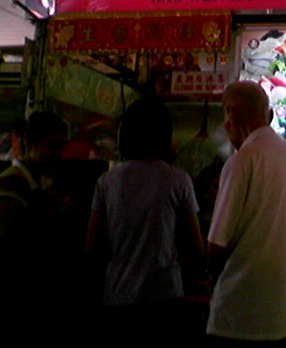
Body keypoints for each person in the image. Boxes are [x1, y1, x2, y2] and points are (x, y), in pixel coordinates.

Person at [85, 97, 205, 343]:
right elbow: (197, 248)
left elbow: (91, 246)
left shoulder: (107, 182)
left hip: (118, 294)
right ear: (165, 135)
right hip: (165, 295)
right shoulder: (178, 180)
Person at [205, 80, 286, 346]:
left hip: (240, 316)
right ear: (270, 116)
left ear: (230, 113)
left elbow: (217, 243)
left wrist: (207, 273)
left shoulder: (242, 160)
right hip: (285, 316)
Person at [0, 111, 70, 341]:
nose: (58, 155)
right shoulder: (13, 182)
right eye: (51, 146)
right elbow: (7, 242)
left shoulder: (40, 184)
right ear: (29, 143)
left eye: (61, 147)